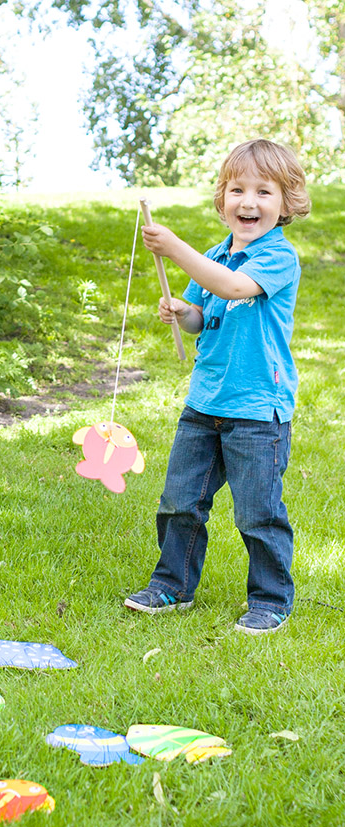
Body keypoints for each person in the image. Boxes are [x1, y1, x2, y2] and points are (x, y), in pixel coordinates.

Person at [125, 138, 311, 635]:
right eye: (237, 190)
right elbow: (202, 315)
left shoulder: (278, 256)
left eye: (263, 192)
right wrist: (182, 312)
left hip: (258, 409)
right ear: (222, 199)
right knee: (180, 501)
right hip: (205, 402)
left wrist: (174, 248)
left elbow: (232, 288)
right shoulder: (213, 255)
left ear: (286, 202)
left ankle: (271, 600)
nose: (248, 202)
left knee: (258, 512)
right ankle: (173, 585)